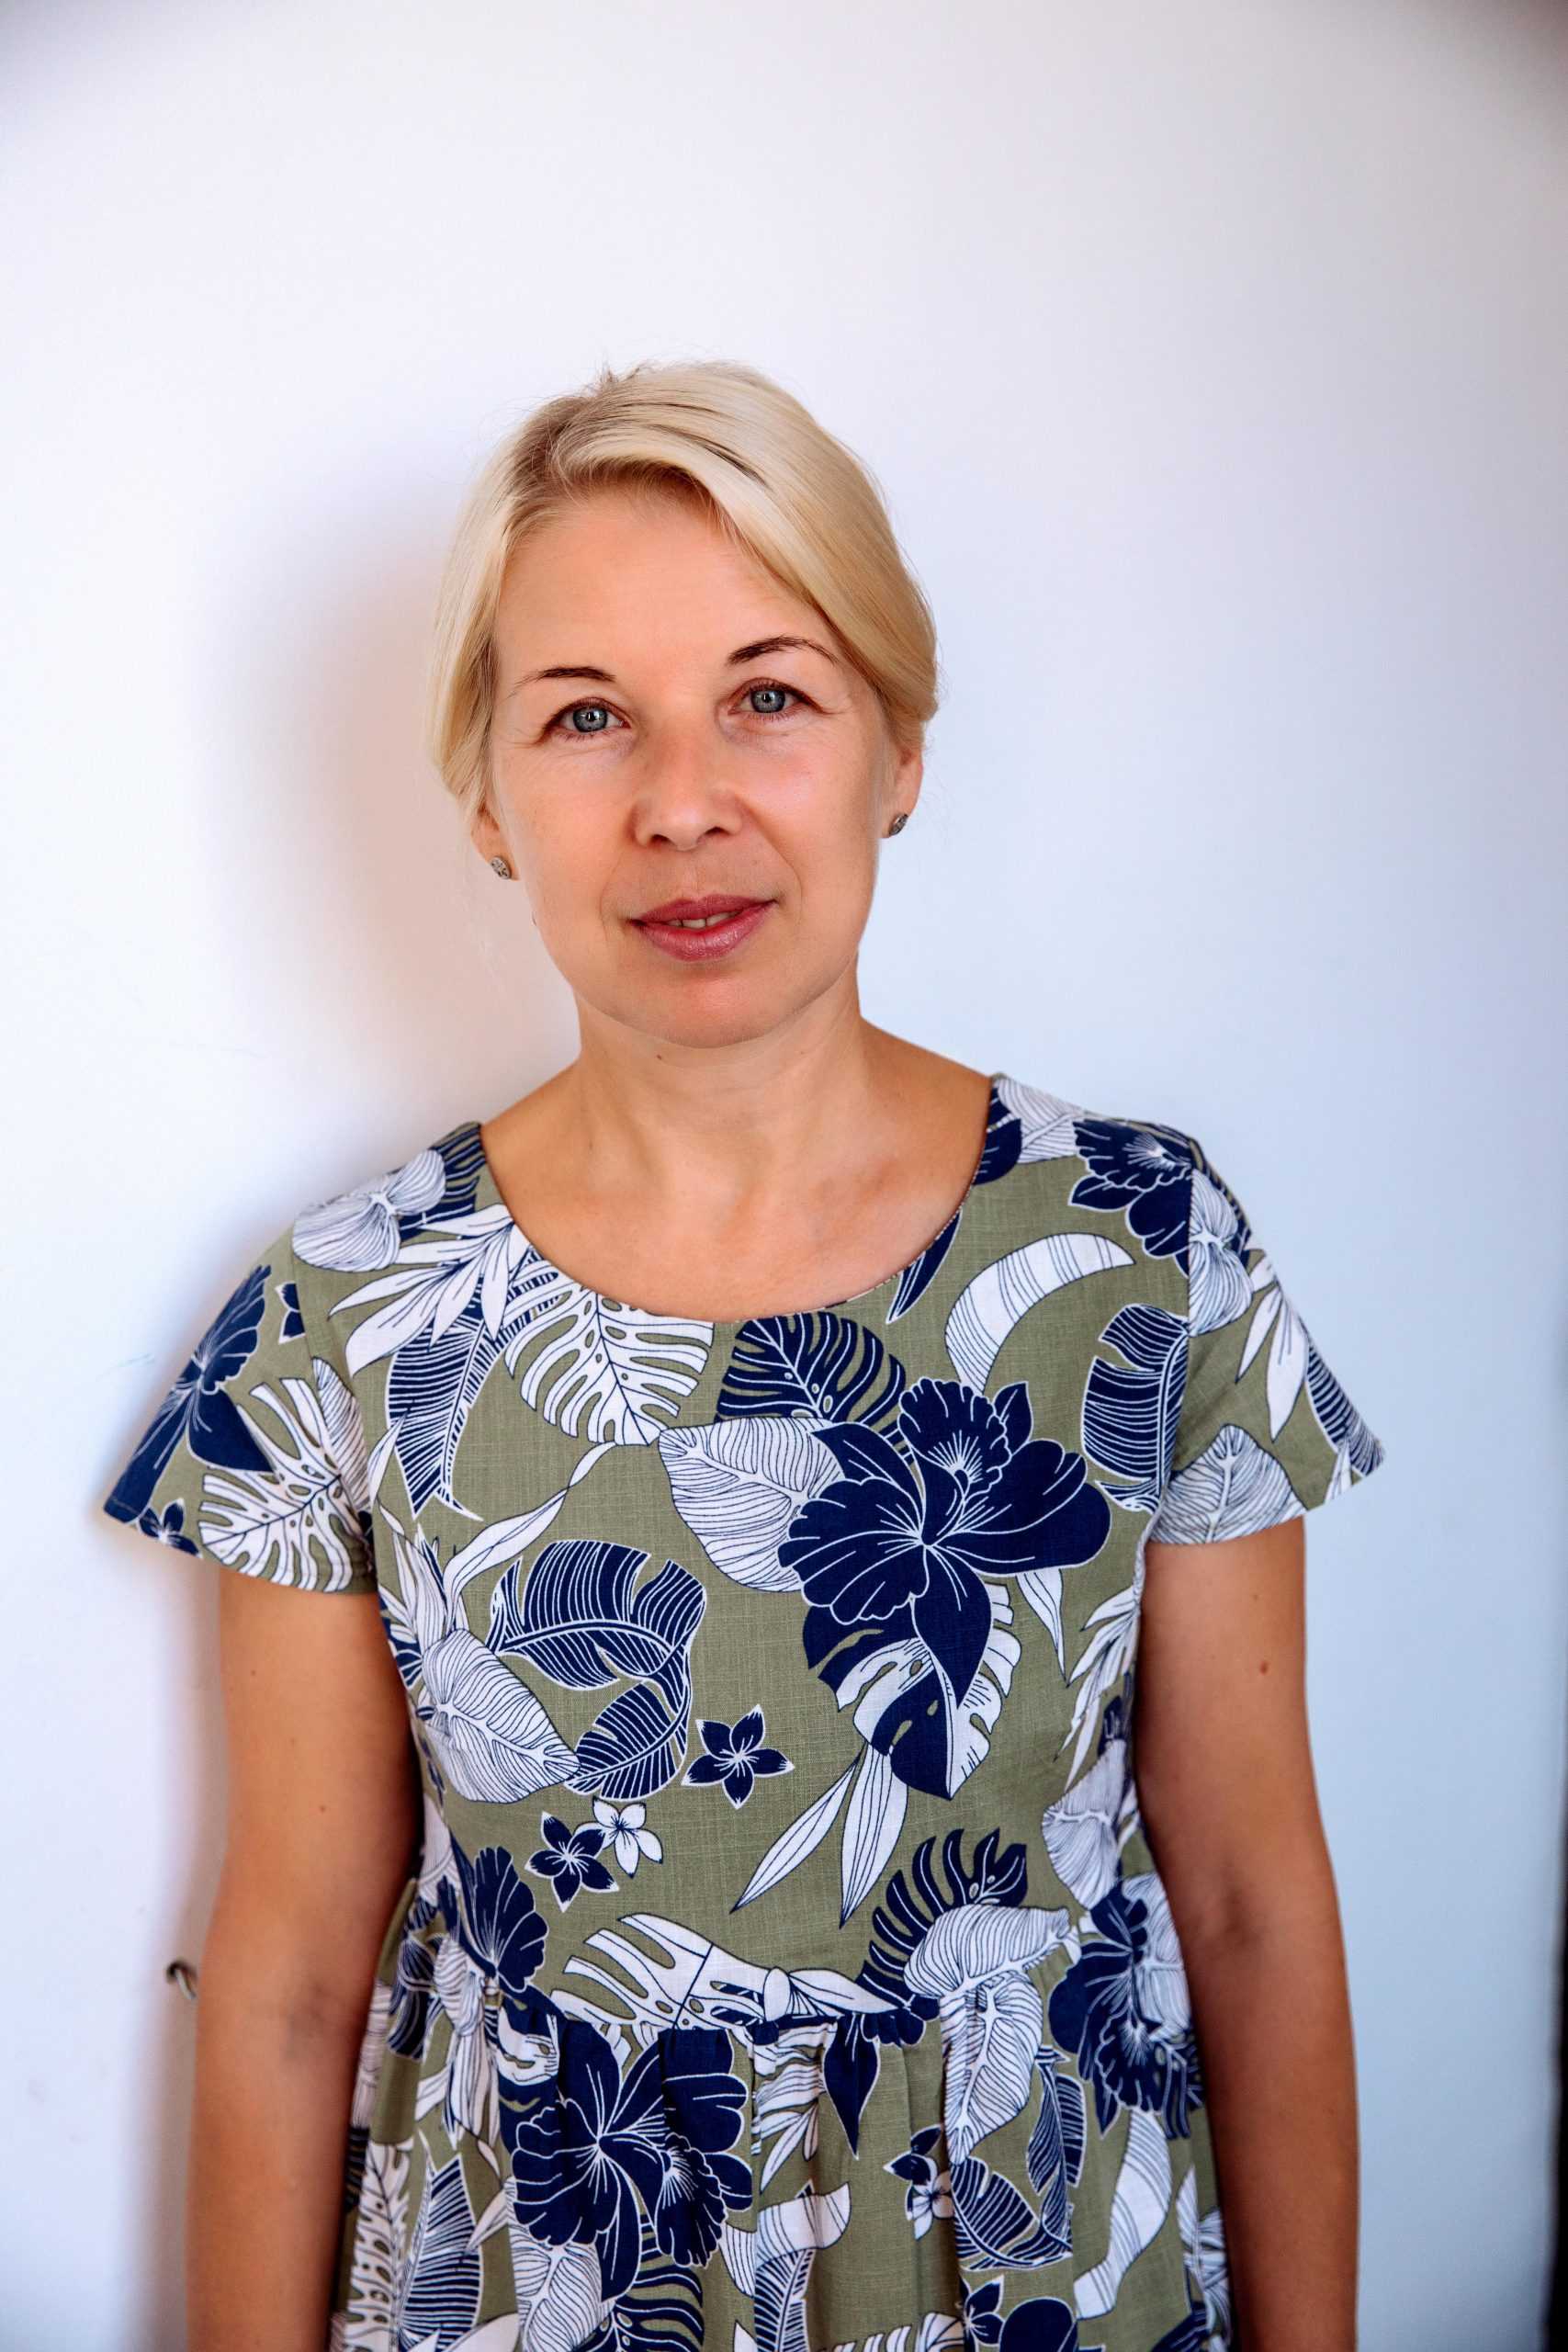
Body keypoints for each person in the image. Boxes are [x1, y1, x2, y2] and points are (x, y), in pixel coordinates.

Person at [102, 357, 1387, 2352]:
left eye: (769, 695)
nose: (681, 800)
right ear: (486, 797)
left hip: (1042, 2286)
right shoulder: (339, 1316)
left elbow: (1249, 1903)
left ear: (899, 746)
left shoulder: (1141, 1252)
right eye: (586, 714)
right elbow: (284, 1982)